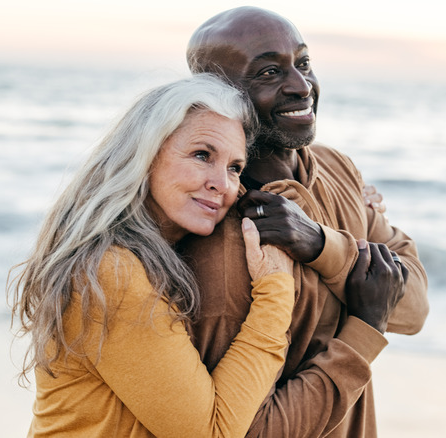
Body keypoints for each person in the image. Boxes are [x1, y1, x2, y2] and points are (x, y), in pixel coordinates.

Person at [179, 7, 430, 437]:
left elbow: (413, 310)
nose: (301, 86)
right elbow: (245, 428)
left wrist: (320, 245)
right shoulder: (223, 236)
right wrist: (366, 322)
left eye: (304, 63)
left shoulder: (338, 169)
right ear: (219, 94)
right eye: (269, 73)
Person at [8, 74, 299, 437]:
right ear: (145, 154)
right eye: (201, 155)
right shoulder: (111, 271)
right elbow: (212, 432)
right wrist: (276, 290)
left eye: (234, 168)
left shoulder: (144, 254)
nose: (222, 184)